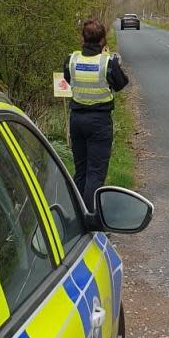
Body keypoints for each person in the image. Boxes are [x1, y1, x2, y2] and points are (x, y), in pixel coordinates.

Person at [63, 19, 130, 208]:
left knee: (81, 170)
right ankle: (91, 218)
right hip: (99, 122)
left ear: (82, 38)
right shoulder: (107, 62)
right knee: (96, 172)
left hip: (76, 120)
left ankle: (76, 213)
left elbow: (69, 79)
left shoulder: (72, 60)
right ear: (103, 41)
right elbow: (121, 84)